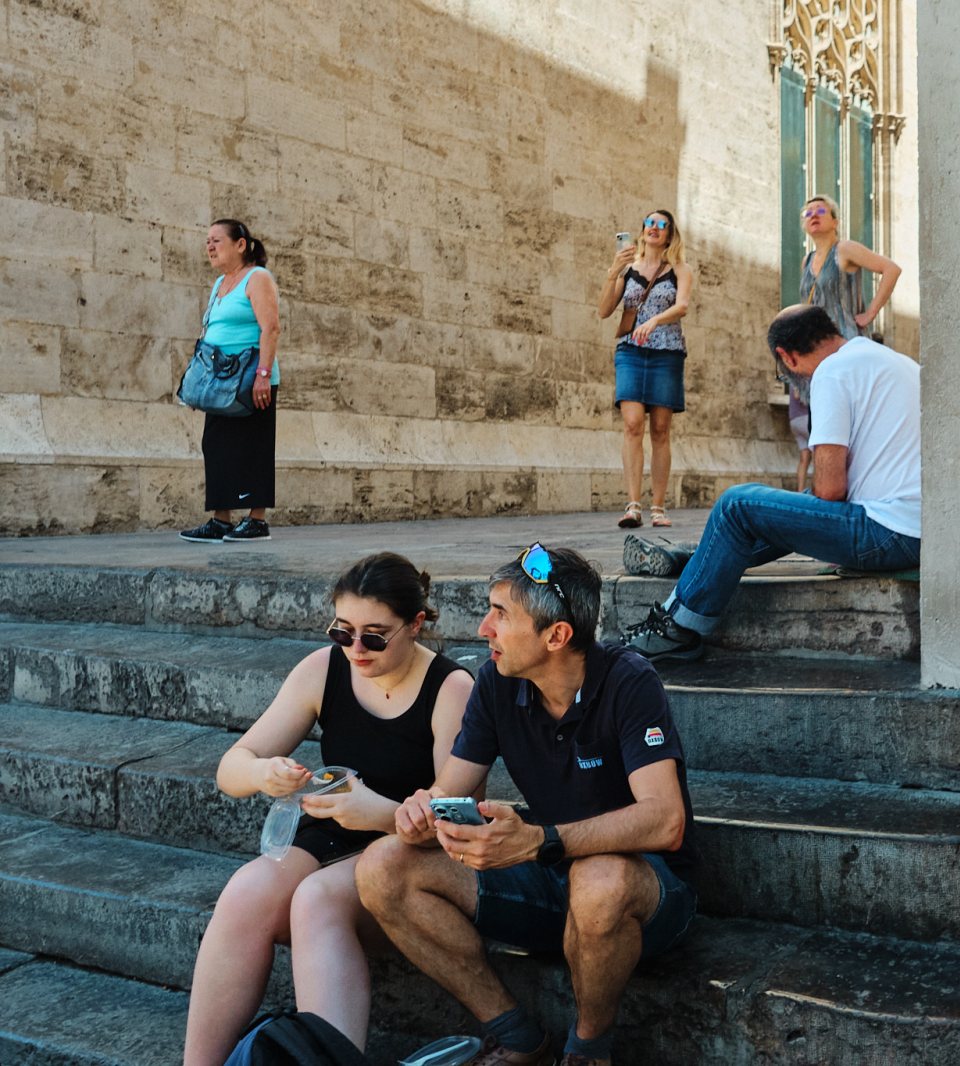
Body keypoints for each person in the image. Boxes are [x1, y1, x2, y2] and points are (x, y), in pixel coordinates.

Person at [355, 545, 697, 1066]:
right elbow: (451, 789)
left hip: (646, 892)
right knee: (382, 867)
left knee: (600, 881)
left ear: (556, 636)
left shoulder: (629, 682)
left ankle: (587, 1052)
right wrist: (425, 813)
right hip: (549, 875)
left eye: (500, 614)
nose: (482, 629)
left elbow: (665, 820)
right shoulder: (495, 681)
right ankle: (517, 1035)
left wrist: (540, 840)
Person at [183, 553, 473, 1064]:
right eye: (344, 631)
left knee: (315, 899)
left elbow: (452, 818)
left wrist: (378, 812)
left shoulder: (452, 689)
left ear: (416, 625)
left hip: (407, 851)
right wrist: (263, 773)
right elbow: (232, 767)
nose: (356, 649)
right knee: (246, 890)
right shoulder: (323, 667)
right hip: (333, 835)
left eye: (375, 636)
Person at [621, 305, 921, 664]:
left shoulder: (831, 373)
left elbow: (830, 491)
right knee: (776, 510)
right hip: (918, 528)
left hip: (888, 535)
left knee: (737, 505)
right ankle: (696, 558)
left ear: (786, 357)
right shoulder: (897, 362)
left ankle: (678, 628)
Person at [179, 218, 282, 544]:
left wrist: (263, 376)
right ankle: (220, 520)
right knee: (217, 445)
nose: (209, 246)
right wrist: (200, 388)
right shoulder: (220, 283)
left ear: (241, 244)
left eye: (217, 240)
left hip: (251, 377)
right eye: (207, 241)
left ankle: (256, 519)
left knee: (253, 444)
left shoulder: (257, 278)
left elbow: (271, 328)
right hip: (220, 378)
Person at [790, 194, 903, 490]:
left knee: (853, 423)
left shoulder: (845, 250)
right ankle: (825, 491)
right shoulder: (806, 261)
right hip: (816, 355)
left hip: (846, 347)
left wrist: (871, 313)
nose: (813, 215)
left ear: (835, 220)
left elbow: (891, 269)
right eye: (808, 212)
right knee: (823, 426)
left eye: (821, 210)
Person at [596, 210, 694, 530]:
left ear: (669, 234)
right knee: (633, 425)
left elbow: (682, 306)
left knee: (661, 430)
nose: (654, 228)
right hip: (630, 352)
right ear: (642, 232)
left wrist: (653, 320)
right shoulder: (628, 270)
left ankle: (658, 507)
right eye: (649, 223)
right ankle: (633, 505)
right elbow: (603, 311)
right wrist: (613, 273)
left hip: (666, 353)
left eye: (661, 224)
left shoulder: (679, 269)